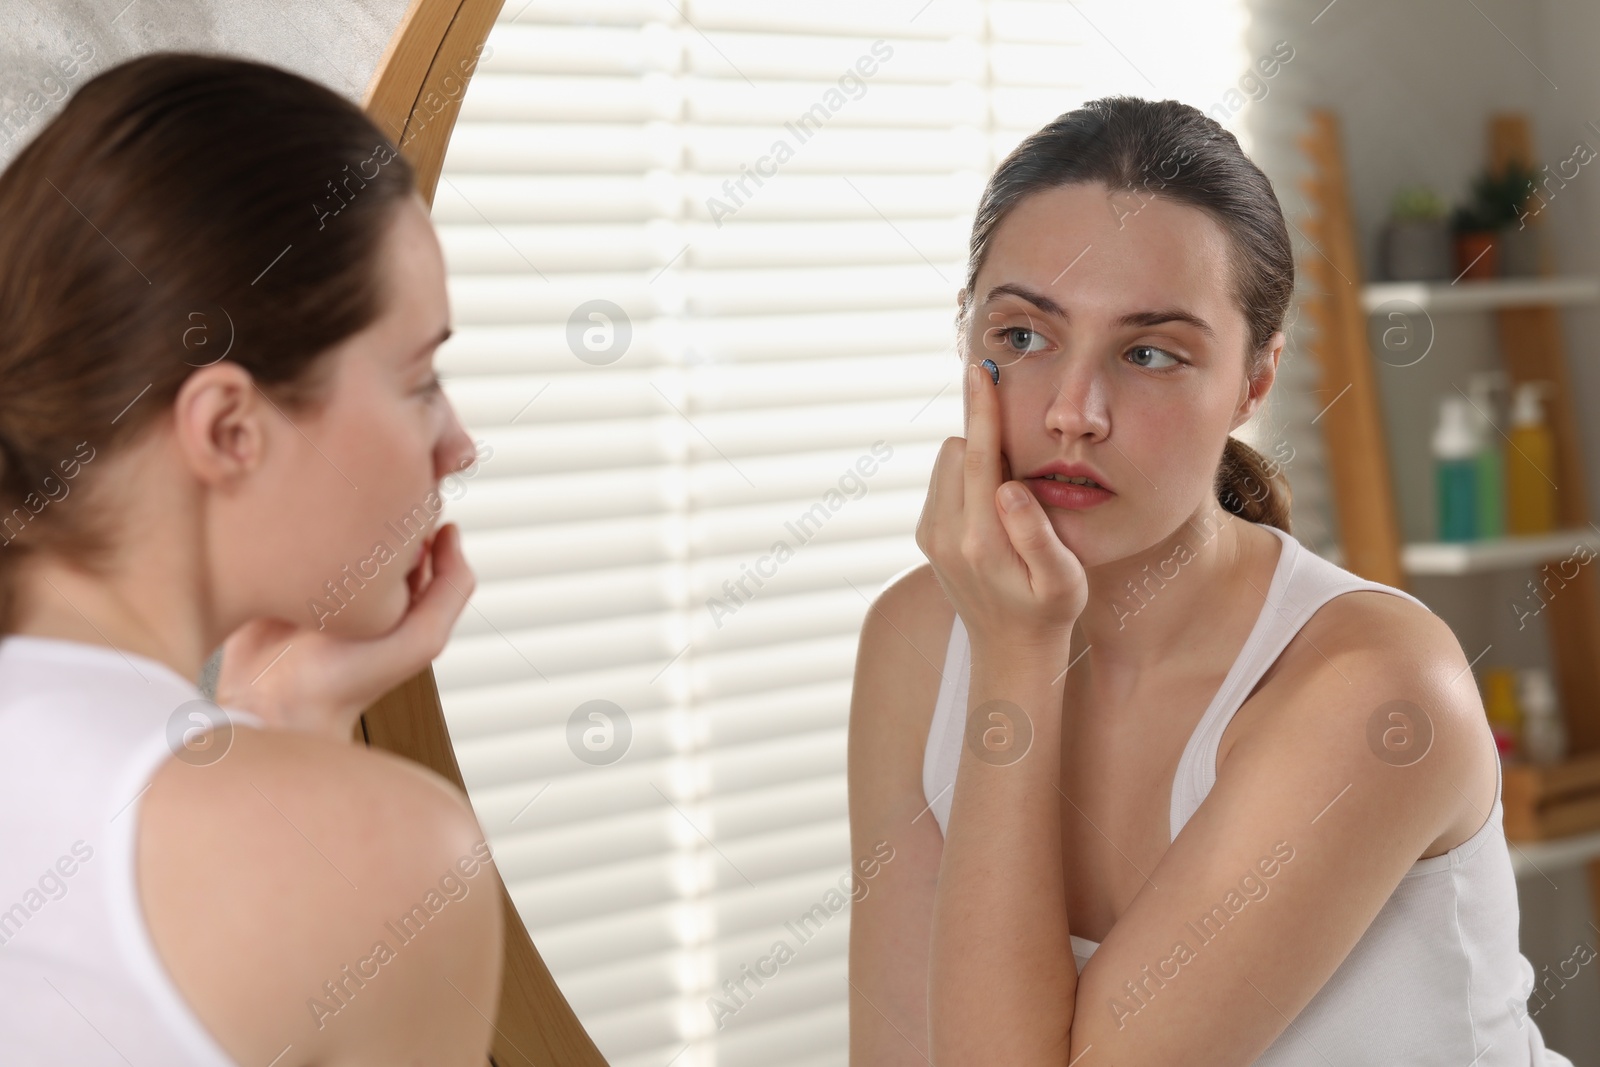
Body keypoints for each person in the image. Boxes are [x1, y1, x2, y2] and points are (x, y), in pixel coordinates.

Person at [847, 96, 1573, 1066]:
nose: (1074, 411)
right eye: (1023, 335)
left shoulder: (1373, 691)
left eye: (1149, 352)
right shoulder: (914, 637)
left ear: (1254, 382)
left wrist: (1017, 659)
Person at [0, 54, 504, 1066]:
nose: (456, 445)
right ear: (230, 426)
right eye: (419, 379)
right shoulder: (387, 863)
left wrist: (283, 726)